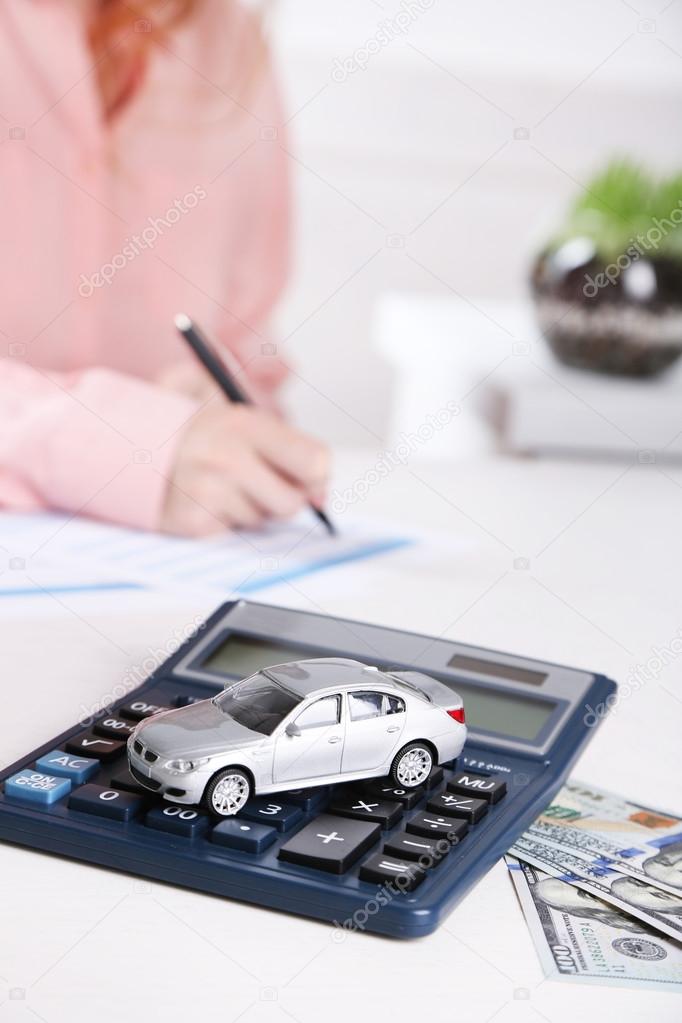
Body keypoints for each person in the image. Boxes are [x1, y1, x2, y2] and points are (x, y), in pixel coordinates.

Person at [0, 0, 330, 537]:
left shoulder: (230, 44)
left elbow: (246, 352)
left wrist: (230, 433)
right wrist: (121, 446)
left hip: (167, 577)